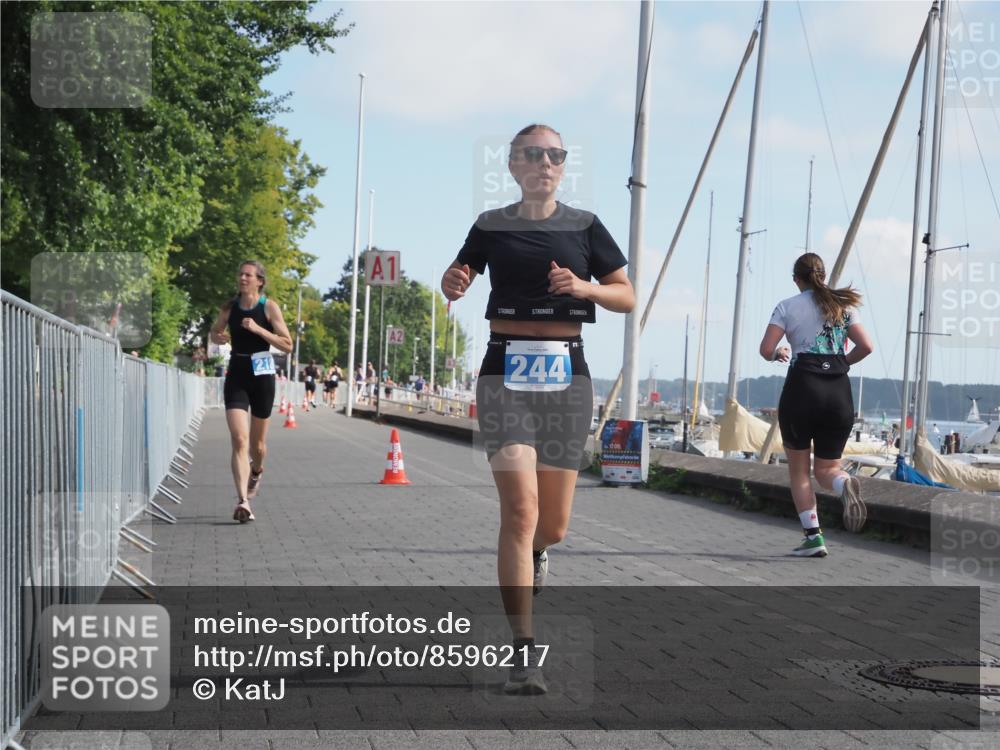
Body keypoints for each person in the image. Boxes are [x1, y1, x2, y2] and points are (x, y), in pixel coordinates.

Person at [441, 123, 634, 695]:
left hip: (565, 375)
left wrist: (585, 287)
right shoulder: (490, 225)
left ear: (562, 165)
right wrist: (453, 282)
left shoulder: (585, 226)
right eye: (534, 154)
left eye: (554, 155)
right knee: (520, 513)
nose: (544, 162)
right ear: (514, 163)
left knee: (552, 526)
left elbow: (625, 294)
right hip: (504, 373)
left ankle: (540, 555)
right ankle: (522, 652)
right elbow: (458, 279)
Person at [759, 252, 874, 557]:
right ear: (823, 275)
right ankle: (843, 483)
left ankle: (813, 538)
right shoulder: (845, 305)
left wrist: (778, 354)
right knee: (827, 469)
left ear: (797, 279)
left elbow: (766, 349)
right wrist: (841, 363)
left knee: (800, 471)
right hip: (838, 392)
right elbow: (866, 346)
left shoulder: (787, 306)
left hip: (802, 389)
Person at [209, 261, 293, 523]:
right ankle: (243, 501)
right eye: (241, 274)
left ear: (260, 281)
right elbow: (214, 331)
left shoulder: (268, 307)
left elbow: (287, 344)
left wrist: (259, 329)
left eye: (248, 275)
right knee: (239, 439)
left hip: (262, 373)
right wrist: (218, 337)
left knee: (257, 445)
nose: (243, 278)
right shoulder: (230, 307)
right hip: (237, 372)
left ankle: (257, 470)